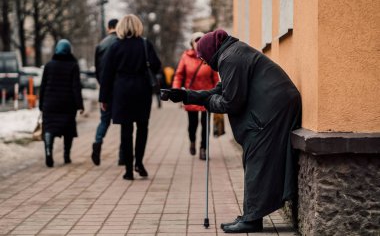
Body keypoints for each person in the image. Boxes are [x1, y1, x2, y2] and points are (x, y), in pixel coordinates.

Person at [165, 29, 301, 233]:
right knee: (256, 159)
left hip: (272, 110)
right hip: (274, 106)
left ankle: (252, 219)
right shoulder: (232, 53)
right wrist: (186, 96)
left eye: (203, 57)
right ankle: (252, 214)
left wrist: (208, 103)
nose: (203, 62)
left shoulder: (230, 58)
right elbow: (221, 90)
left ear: (211, 51)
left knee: (256, 159)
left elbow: (231, 102)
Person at [99, 14, 161, 180]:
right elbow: (156, 66)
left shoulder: (115, 46)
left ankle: (127, 169)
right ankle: (139, 163)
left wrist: (103, 98)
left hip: (122, 91)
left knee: (126, 130)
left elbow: (107, 74)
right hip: (142, 90)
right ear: (138, 26)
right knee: (142, 128)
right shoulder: (145, 44)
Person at [172, 32, 219, 160]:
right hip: (191, 96)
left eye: (201, 40)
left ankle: (203, 148)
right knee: (192, 125)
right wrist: (176, 91)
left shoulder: (209, 56)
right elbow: (179, 75)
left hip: (207, 96)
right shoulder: (186, 57)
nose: (198, 42)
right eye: (196, 40)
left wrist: (218, 93)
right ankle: (192, 141)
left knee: (206, 125)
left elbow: (215, 77)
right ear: (192, 43)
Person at [39, 39, 84, 168]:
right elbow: (76, 87)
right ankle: (66, 155)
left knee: (49, 129)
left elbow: (43, 86)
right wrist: (80, 105)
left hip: (50, 104)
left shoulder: (49, 65)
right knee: (68, 130)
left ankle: (48, 151)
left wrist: (41, 104)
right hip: (67, 104)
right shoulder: (73, 66)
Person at [91, 19, 122, 166]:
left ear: (108, 27)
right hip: (121, 89)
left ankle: (97, 143)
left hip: (106, 88)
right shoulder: (121, 43)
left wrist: (103, 85)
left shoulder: (101, 45)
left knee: (104, 120)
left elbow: (97, 70)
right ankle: (123, 155)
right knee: (125, 122)